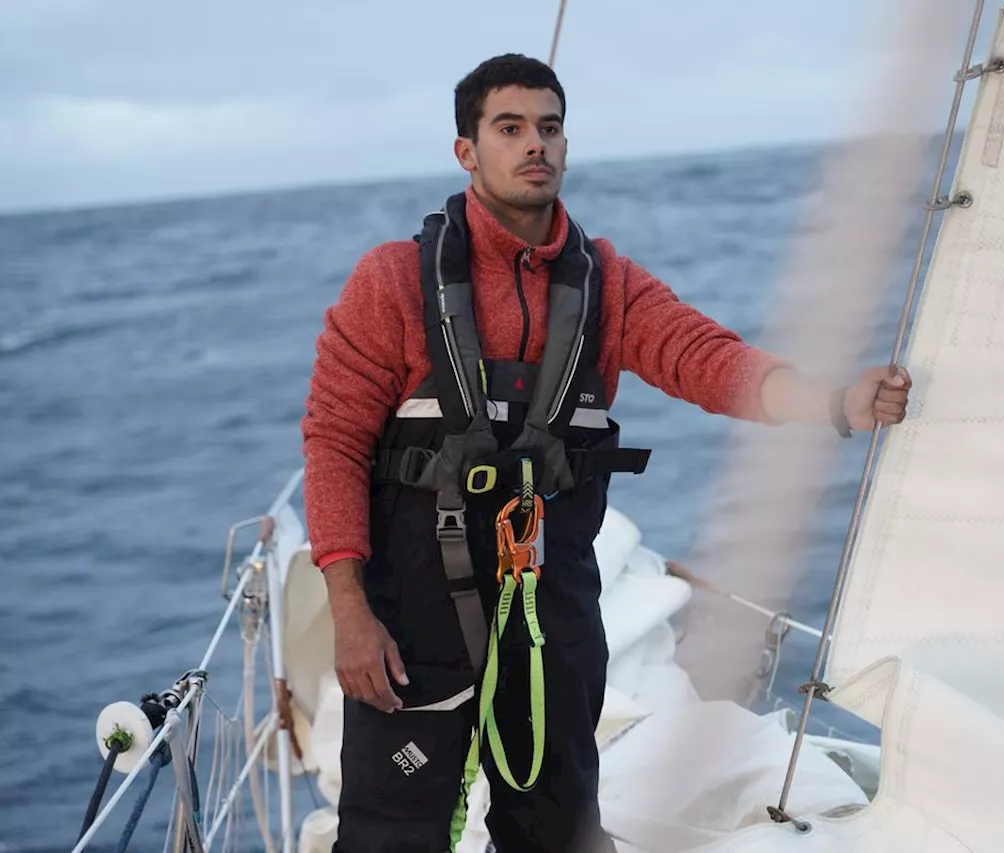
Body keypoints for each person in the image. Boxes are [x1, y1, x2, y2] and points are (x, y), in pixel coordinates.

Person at [300, 52, 911, 853]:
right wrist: (349, 614)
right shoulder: (391, 283)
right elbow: (334, 440)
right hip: (413, 609)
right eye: (509, 127)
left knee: (559, 829)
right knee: (390, 834)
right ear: (466, 150)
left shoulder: (608, 286)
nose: (535, 145)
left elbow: (709, 360)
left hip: (550, 602)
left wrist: (833, 401)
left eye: (549, 128)